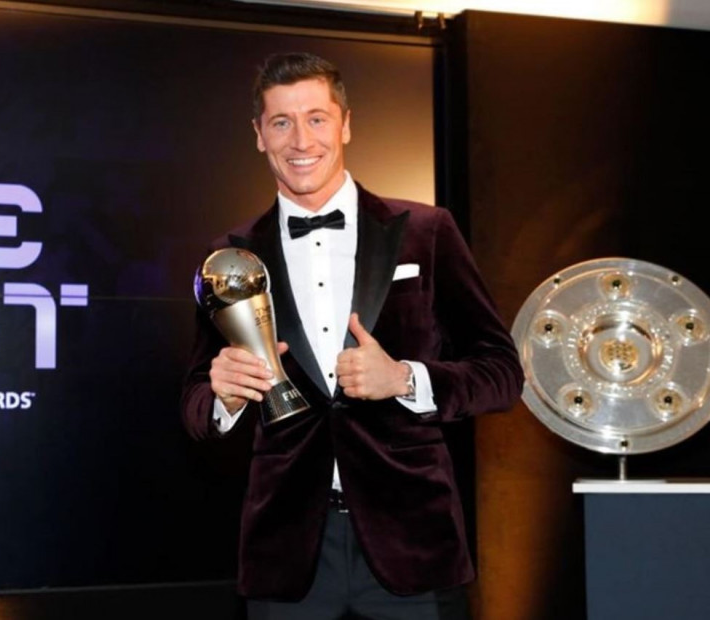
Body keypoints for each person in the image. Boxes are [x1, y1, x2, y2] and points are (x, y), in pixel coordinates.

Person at [181, 51, 523, 620]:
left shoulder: (427, 232)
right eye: (281, 122)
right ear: (259, 135)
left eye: (316, 118)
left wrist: (405, 378)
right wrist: (223, 396)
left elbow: (502, 374)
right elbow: (195, 404)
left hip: (413, 542)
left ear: (345, 125)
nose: (300, 140)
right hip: (287, 552)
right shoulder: (230, 256)